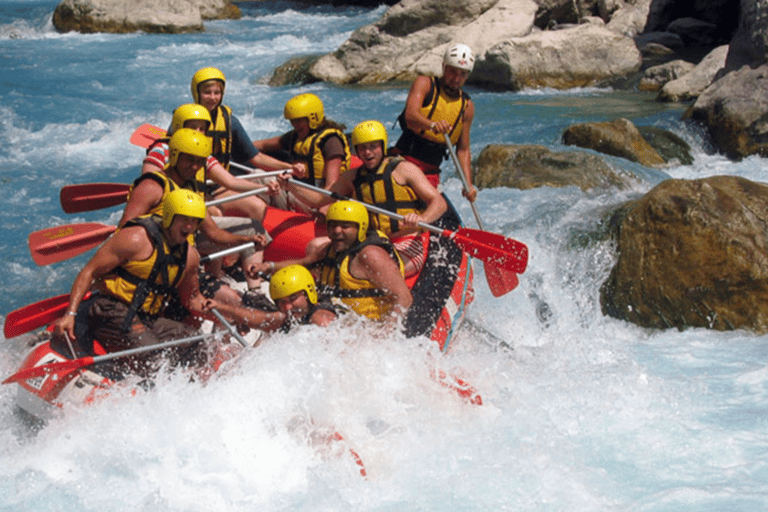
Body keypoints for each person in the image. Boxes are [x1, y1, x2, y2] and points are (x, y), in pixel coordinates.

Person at [51, 190, 286, 377]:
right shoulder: (135, 238)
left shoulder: (189, 256)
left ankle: (191, 388)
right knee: (154, 356)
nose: (189, 227)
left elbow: (192, 300)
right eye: (183, 219)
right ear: (170, 217)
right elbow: (89, 272)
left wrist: (229, 315)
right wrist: (70, 313)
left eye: (194, 222)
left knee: (197, 345)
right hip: (109, 308)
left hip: (146, 316)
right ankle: (136, 384)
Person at [281, 120, 447, 277]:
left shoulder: (404, 170)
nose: (367, 152)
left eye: (373, 147)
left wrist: (422, 219)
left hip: (406, 240)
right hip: (371, 240)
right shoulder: (351, 177)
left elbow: (439, 203)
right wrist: (290, 185)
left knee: (378, 268)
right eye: (362, 148)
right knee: (315, 245)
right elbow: (318, 200)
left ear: (382, 146)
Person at [123, 128, 268, 294]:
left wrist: (246, 239)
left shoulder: (191, 192)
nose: (194, 166)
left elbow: (213, 233)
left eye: (199, 162)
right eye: (189, 160)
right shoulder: (152, 187)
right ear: (175, 156)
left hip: (182, 263)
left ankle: (252, 293)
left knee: (233, 300)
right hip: (152, 264)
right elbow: (124, 231)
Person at [144, 103, 273, 222]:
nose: (197, 132)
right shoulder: (161, 150)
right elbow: (148, 184)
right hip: (170, 209)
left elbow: (230, 181)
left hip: (197, 199)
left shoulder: (203, 154)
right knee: (216, 213)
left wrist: (264, 189)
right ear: (179, 127)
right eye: (193, 127)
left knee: (257, 206)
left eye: (202, 129)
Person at [393, 43, 478, 203]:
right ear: (444, 67)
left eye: (463, 74)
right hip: (404, 161)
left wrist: (468, 184)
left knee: (442, 214)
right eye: (452, 71)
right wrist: (432, 125)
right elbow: (411, 115)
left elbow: (463, 150)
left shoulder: (467, 106)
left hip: (430, 171)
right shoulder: (425, 83)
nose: (456, 78)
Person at [190, 67, 305, 178]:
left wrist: (290, 167)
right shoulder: (184, 120)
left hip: (220, 182)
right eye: (207, 92)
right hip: (192, 183)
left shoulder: (229, 122)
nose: (212, 97)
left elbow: (257, 158)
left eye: (217, 93)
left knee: (265, 184)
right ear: (197, 93)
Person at [311, 201, 412, 321]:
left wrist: (385, 330)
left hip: (371, 324)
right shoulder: (328, 250)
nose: (337, 231)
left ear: (361, 227)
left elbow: (404, 298)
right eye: (332, 225)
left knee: (320, 320)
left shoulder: (371, 255)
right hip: (343, 318)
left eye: (345, 226)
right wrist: (307, 260)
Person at [253, 93, 351, 213]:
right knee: (257, 174)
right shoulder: (296, 136)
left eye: (298, 120)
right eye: (292, 120)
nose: (294, 124)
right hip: (298, 192)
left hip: (317, 200)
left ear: (313, 118)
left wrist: (324, 209)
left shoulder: (331, 142)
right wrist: (238, 144)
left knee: (264, 179)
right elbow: (263, 145)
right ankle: (258, 210)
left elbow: (332, 184)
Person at [268, 264, 341, 330]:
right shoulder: (290, 320)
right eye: (282, 302)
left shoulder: (320, 319)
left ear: (308, 294)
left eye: (293, 298)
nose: (288, 307)